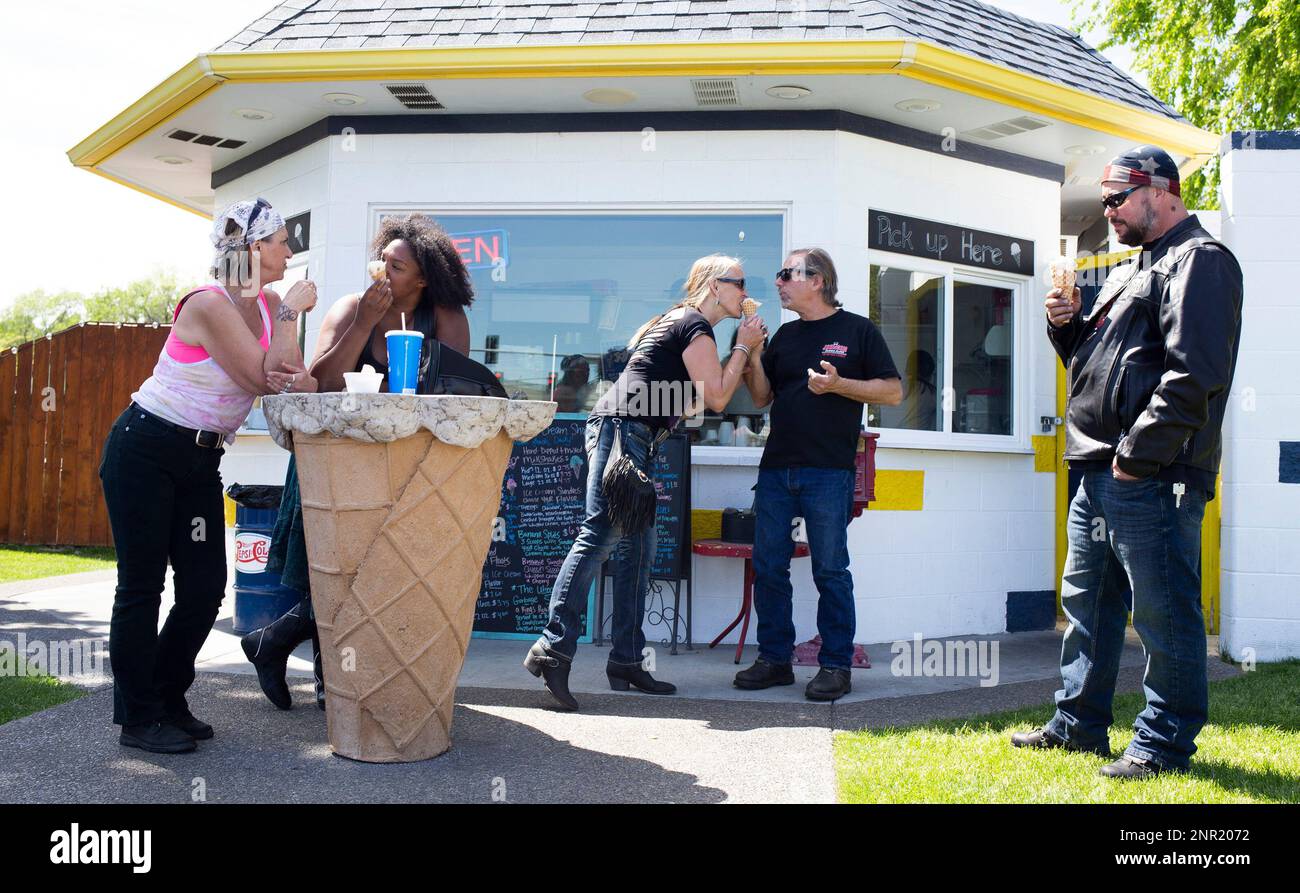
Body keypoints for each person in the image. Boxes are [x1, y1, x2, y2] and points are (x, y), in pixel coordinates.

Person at [1012, 146, 1243, 779]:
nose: (1107, 209)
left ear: (1161, 191)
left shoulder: (1201, 262)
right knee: (1087, 602)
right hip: (1098, 467)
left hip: (1151, 472)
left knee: (1164, 612)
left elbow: (1194, 376)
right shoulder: (1131, 267)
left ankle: (1163, 743)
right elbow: (1097, 366)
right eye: (1105, 200)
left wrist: (1136, 461)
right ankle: (1078, 724)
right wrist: (1067, 328)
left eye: (1116, 197)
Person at [100, 197, 319, 753]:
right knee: (142, 587)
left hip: (200, 459)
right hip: (146, 449)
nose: (289, 250)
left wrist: (287, 329)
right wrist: (293, 321)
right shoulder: (208, 304)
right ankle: (139, 718)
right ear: (251, 248)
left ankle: (169, 697)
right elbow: (263, 378)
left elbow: (292, 377)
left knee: (202, 588)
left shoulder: (269, 303)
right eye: (280, 240)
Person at [241, 213, 474, 711]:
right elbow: (320, 385)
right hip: (336, 454)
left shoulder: (446, 318)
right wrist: (365, 322)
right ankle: (334, 683)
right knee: (334, 569)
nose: (384, 271)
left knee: (376, 571)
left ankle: (273, 644)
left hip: (404, 462)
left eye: (398, 266)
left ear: (424, 277)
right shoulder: (351, 307)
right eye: (383, 260)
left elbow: (453, 392)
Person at [524, 255, 766, 710]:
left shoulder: (679, 323)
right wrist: (742, 347)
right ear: (716, 286)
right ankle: (552, 649)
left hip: (634, 436)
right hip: (622, 433)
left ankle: (627, 661)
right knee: (599, 536)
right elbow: (716, 398)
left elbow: (687, 400)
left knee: (640, 551)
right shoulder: (695, 323)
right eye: (740, 283)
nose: (745, 291)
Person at [735, 248, 902, 701]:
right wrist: (751, 354)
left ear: (818, 280)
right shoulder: (787, 336)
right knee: (769, 566)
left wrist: (840, 385)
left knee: (830, 569)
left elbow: (892, 391)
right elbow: (761, 396)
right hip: (776, 469)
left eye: (787, 273)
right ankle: (774, 660)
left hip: (828, 471)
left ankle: (835, 665)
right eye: (781, 272)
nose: (779, 282)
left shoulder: (857, 331)